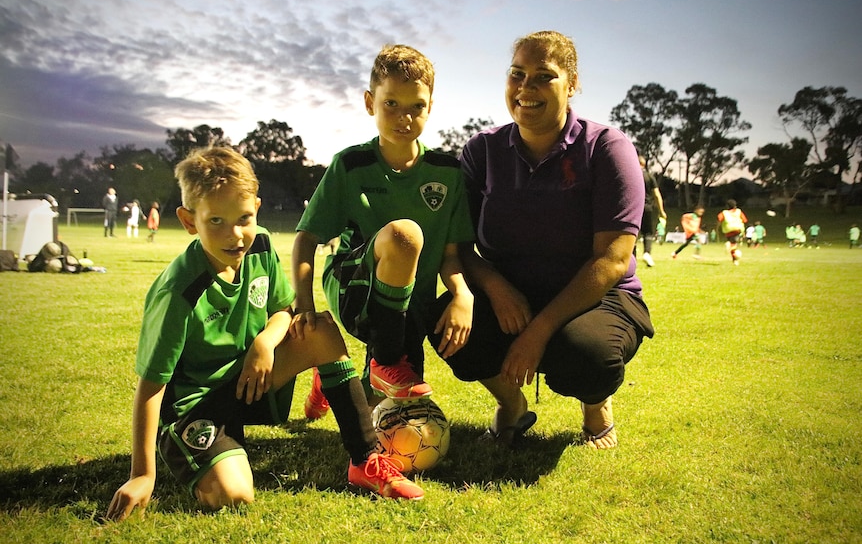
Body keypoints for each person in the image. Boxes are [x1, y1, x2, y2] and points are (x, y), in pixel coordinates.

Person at [106, 147, 423, 522]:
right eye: (217, 222)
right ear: (190, 221)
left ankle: (365, 458)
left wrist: (264, 342)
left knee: (318, 328)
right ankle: (197, 447)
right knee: (234, 494)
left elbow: (281, 309)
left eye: (244, 218)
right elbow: (151, 386)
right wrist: (142, 474)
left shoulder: (261, 245)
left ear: (257, 207)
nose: (235, 235)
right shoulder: (178, 292)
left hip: (248, 380)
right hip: (196, 405)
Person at [428, 31, 654, 450]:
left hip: (596, 296)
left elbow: (611, 259)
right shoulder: (482, 150)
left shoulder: (606, 148)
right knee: (449, 323)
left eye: (543, 76)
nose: (526, 88)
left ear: (571, 84)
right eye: (517, 74)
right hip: (509, 292)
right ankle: (511, 407)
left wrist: (539, 332)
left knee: (586, 355)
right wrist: (495, 288)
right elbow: (457, 244)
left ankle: (595, 405)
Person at [293, 44, 475, 417]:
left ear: (431, 107)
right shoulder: (351, 165)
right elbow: (306, 239)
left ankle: (335, 377)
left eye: (416, 106)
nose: (404, 117)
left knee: (397, 416)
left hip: (412, 309)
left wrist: (462, 294)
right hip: (354, 291)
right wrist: (305, 306)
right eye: (391, 103)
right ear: (369, 101)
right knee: (404, 235)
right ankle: (384, 359)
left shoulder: (448, 172)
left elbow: (452, 255)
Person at [636, 155, 667, 267]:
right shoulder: (649, 176)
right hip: (646, 207)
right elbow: (657, 195)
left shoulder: (630, 174)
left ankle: (631, 258)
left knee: (631, 233)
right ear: (644, 164)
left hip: (632, 207)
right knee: (648, 233)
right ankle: (647, 253)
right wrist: (661, 210)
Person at [717, 199, 747, 265]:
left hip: (728, 230)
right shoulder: (739, 212)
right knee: (734, 245)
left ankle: (734, 260)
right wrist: (744, 231)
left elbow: (719, 219)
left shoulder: (724, 213)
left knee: (733, 244)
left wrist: (717, 229)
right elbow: (744, 220)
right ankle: (730, 248)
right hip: (737, 229)